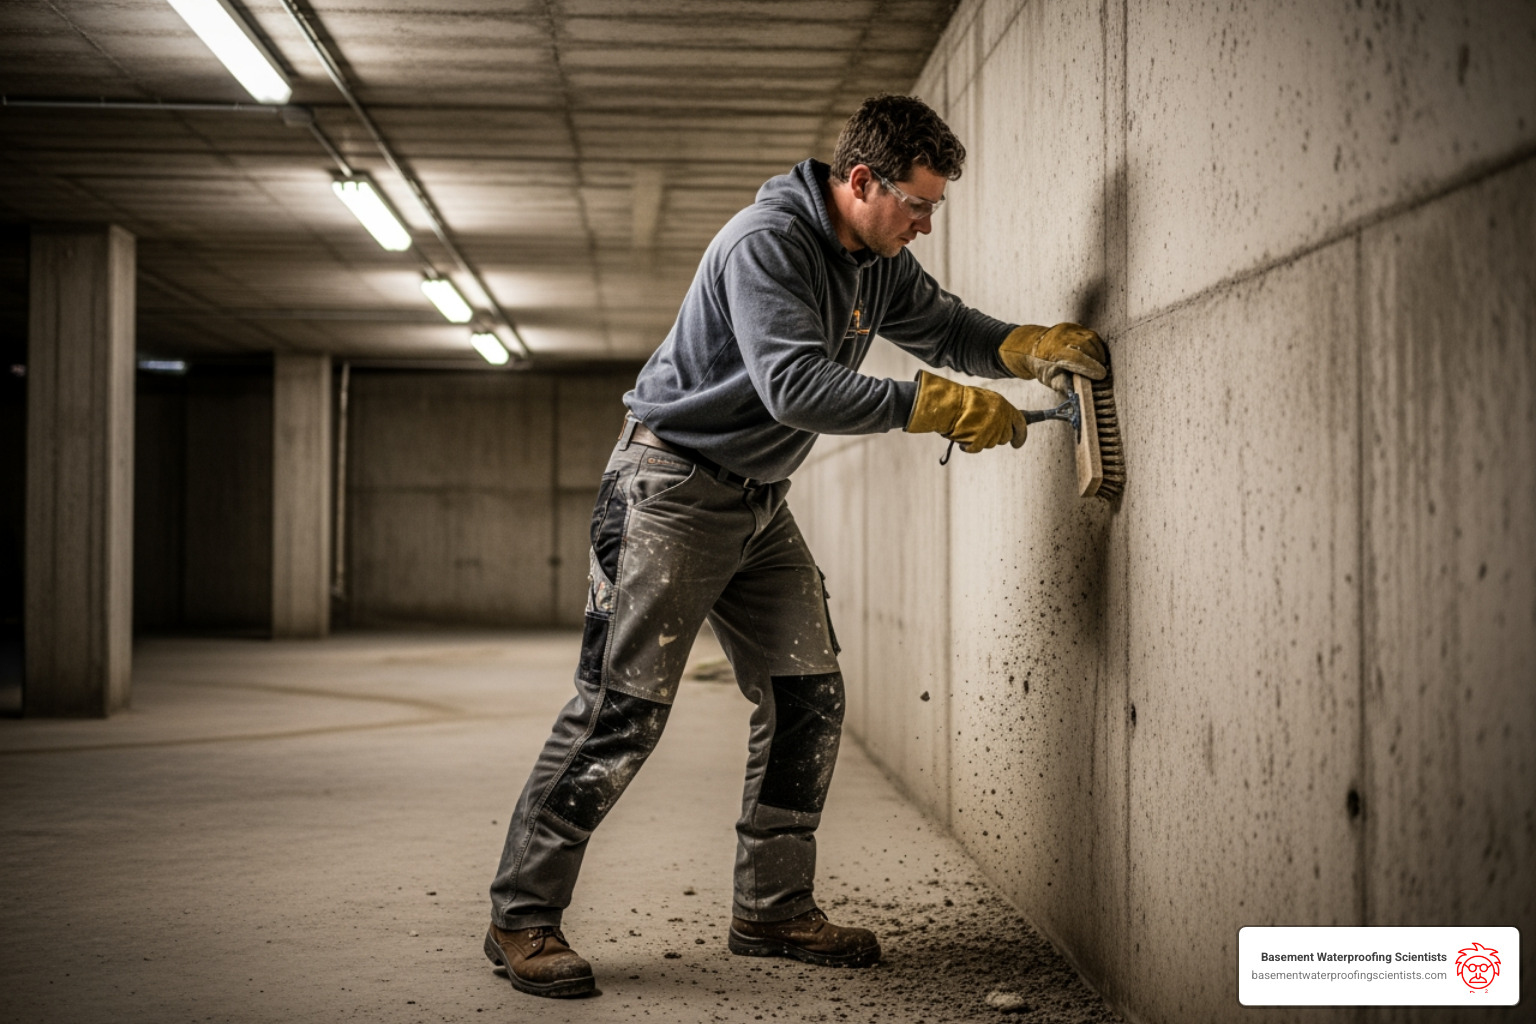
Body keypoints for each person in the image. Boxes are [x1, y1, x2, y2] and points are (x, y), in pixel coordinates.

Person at [484, 93, 1107, 999]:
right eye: (919, 203)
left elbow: (945, 326)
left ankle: (771, 908)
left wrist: (1025, 346)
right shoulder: (765, 243)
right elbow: (793, 388)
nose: (926, 224)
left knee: (807, 696)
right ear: (861, 182)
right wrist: (929, 404)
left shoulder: (876, 258)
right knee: (620, 710)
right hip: (670, 493)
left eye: (936, 206)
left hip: (755, 503)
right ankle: (522, 917)